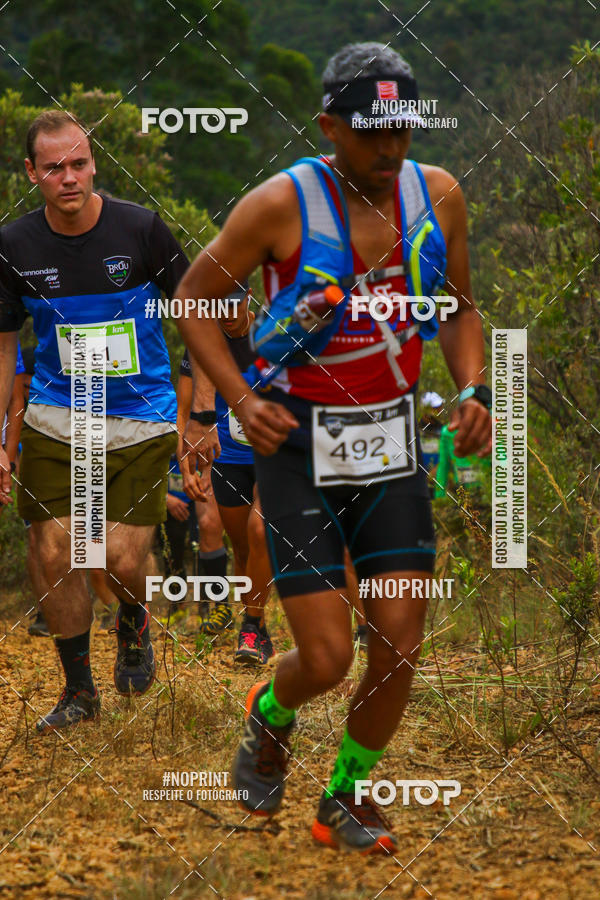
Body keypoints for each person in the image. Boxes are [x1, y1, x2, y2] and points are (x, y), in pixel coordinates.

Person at [175, 42, 492, 853]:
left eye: (402, 132)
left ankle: (344, 797)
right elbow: (194, 299)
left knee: (400, 641)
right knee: (325, 658)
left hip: (390, 439)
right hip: (297, 446)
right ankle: (270, 712)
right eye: (370, 133)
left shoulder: (439, 195)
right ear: (329, 127)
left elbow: (457, 306)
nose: (389, 151)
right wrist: (242, 398)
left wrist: (474, 388)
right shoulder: (279, 205)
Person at [0, 110, 188, 732]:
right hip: (58, 413)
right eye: (54, 167)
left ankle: (133, 623)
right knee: (54, 549)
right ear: (32, 173)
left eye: (78, 163)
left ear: (94, 164)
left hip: (141, 414)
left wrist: (204, 412)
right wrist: (4, 437)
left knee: (117, 558)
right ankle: (78, 690)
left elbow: (196, 313)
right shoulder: (14, 246)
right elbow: (4, 349)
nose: (69, 177)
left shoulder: (142, 230)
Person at [180, 287, 275, 664]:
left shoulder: (273, 333)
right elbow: (185, 406)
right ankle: (259, 628)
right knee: (243, 548)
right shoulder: (202, 342)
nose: (228, 312)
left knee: (259, 529)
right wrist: (186, 459)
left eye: (233, 302)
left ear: (248, 296)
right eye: (218, 304)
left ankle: (250, 626)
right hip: (230, 457)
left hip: (275, 456)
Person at [434, 422, 492, 499]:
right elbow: (443, 466)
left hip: (487, 491)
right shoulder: (448, 432)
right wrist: (439, 497)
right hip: (461, 491)